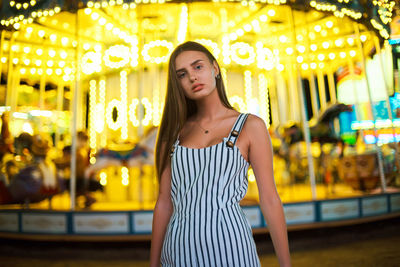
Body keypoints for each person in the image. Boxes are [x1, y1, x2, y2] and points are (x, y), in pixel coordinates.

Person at [150, 41, 291, 267]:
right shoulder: (173, 133)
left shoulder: (250, 125)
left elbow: (270, 199)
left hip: (231, 248)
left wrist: (286, 264)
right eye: (182, 74)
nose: (193, 77)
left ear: (215, 69)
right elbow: (164, 204)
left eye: (198, 67)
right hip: (177, 251)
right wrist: (153, 264)